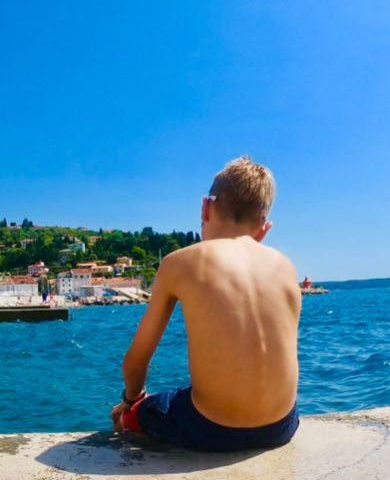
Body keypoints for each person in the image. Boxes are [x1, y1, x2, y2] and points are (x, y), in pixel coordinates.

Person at [111, 157, 301, 452]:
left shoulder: (180, 262)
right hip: (282, 426)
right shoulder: (286, 267)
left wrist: (131, 401)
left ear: (205, 208)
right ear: (264, 229)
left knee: (145, 411)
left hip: (211, 428)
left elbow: (136, 360)